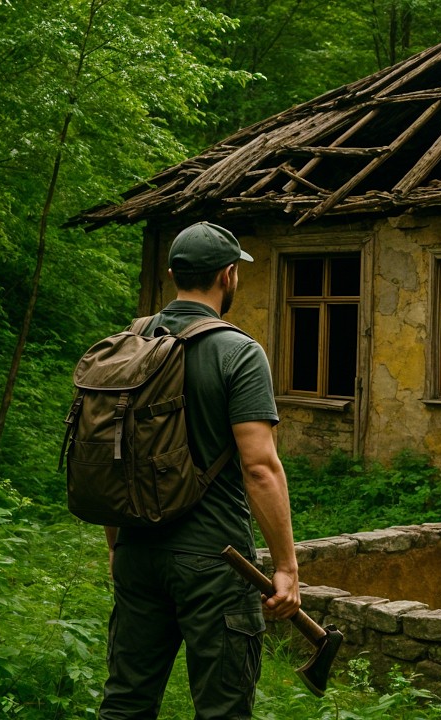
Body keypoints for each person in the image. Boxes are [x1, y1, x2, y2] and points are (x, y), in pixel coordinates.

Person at [99, 221, 301, 719]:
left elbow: (109, 455)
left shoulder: (129, 342)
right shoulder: (239, 352)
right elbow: (260, 468)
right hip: (217, 559)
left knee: (126, 702)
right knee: (223, 709)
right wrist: (285, 567)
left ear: (173, 274)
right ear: (229, 276)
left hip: (136, 548)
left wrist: (116, 545)